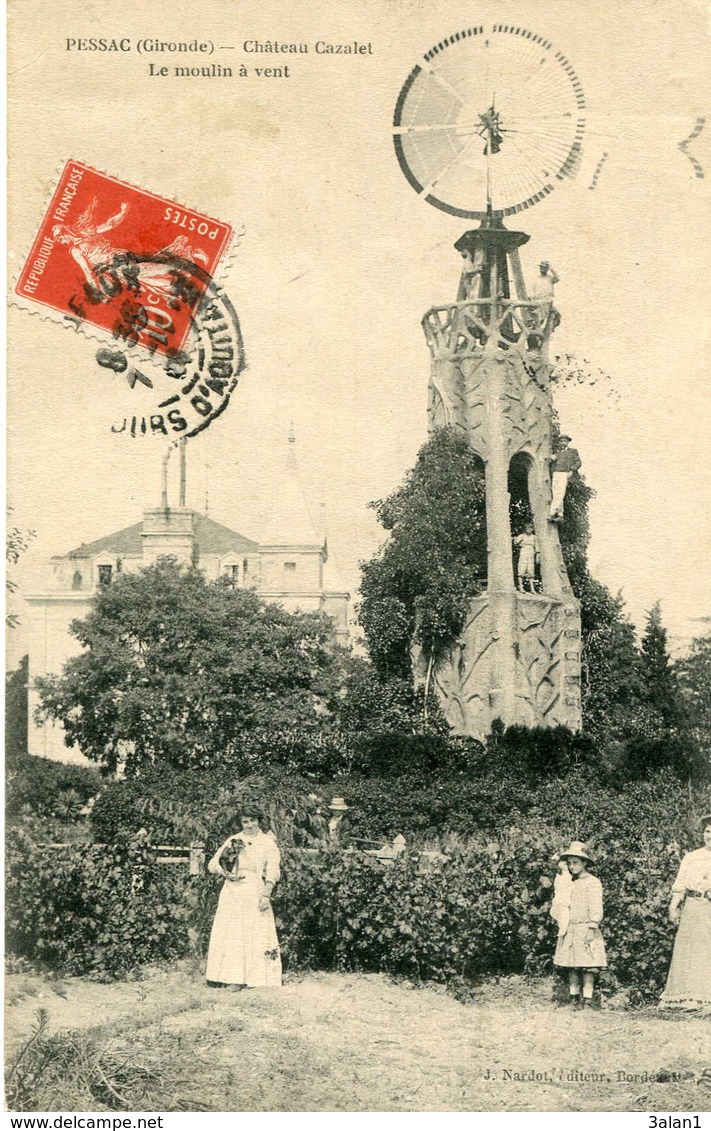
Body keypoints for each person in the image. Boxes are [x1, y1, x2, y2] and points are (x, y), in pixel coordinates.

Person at [205, 805, 282, 989]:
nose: (249, 825)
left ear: (259, 821)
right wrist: (225, 873)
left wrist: (266, 894)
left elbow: (273, 870)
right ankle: (234, 978)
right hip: (232, 892)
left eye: (252, 821)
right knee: (233, 933)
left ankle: (257, 978)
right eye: (245, 821)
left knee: (255, 932)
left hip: (254, 889)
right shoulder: (234, 839)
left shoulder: (267, 842)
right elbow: (212, 864)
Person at [659, 813, 711, 1010]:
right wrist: (674, 907)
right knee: (688, 950)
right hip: (692, 906)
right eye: (707, 831)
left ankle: (706, 999)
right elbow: (680, 884)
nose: (710, 836)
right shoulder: (692, 857)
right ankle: (686, 999)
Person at [553, 841, 607, 1008]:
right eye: (569, 863)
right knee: (572, 965)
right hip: (571, 927)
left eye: (576, 862)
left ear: (584, 863)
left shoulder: (592, 882)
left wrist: (592, 926)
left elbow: (596, 905)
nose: (572, 866)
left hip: (586, 926)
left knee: (587, 965)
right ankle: (574, 998)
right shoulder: (570, 882)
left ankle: (588, 999)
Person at [550, 435, 582, 522]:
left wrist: (572, 470)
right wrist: (552, 458)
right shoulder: (556, 452)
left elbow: (578, 462)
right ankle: (560, 515)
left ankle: (552, 513)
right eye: (561, 441)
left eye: (564, 441)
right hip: (555, 472)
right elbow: (550, 461)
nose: (562, 443)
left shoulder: (573, 451)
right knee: (555, 493)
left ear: (568, 442)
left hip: (564, 473)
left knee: (560, 493)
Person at [513, 523, 538, 592]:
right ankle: (521, 587)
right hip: (524, 551)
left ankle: (532, 589)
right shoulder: (522, 536)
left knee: (530, 569)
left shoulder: (534, 537)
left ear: (532, 529)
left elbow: (537, 547)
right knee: (522, 568)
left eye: (530, 529)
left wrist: (537, 556)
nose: (528, 530)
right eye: (527, 529)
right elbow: (516, 542)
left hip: (531, 552)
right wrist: (515, 539)